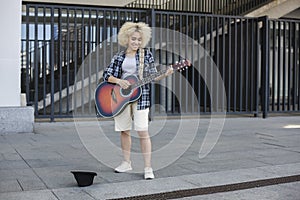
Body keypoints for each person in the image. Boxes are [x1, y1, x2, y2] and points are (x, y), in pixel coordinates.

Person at [102, 21, 174, 180]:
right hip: (121, 99)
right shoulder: (119, 57)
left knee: (142, 131)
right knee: (124, 130)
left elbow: (153, 76)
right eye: (133, 39)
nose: (136, 42)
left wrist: (165, 74)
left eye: (139, 39)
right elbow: (107, 75)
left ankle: (148, 167)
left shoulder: (146, 55)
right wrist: (119, 81)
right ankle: (126, 163)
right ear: (126, 38)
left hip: (141, 98)